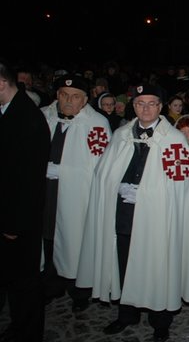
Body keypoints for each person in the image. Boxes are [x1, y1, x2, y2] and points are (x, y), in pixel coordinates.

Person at [75, 84, 189, 341]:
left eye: (151, 103)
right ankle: (126, 315)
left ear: (160, 107)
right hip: (123, 216)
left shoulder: (173, 139)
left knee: (158, 267)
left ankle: (160, 321)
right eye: (140, 103)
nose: (146, 108)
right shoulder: (121, 135)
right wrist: (117, 187)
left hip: (158, 220)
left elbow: (181, 186)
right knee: (124, 264)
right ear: (133, 106)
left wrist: (147, 194)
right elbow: (104, 174)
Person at [40, 75, 111, 312]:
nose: (68, 100)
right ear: (57, 95)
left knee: (76, 241)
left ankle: (79, 291)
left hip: (77, 196)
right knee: (47, 236)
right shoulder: (44, 117)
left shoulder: (96, 123)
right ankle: (51, 284)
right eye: (63, 95)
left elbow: (99, 167)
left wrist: (65, 171)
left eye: (75, 96)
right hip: (46, 192)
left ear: (85, 100)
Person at [0, 61, 51, 342]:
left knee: (24, 282)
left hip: (19, 219)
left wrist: (14, 222)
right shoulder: (8, 112)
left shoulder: (28, 118)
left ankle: (28, 332)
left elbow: (30, 179)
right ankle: (16, 326)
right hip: (7, 212)